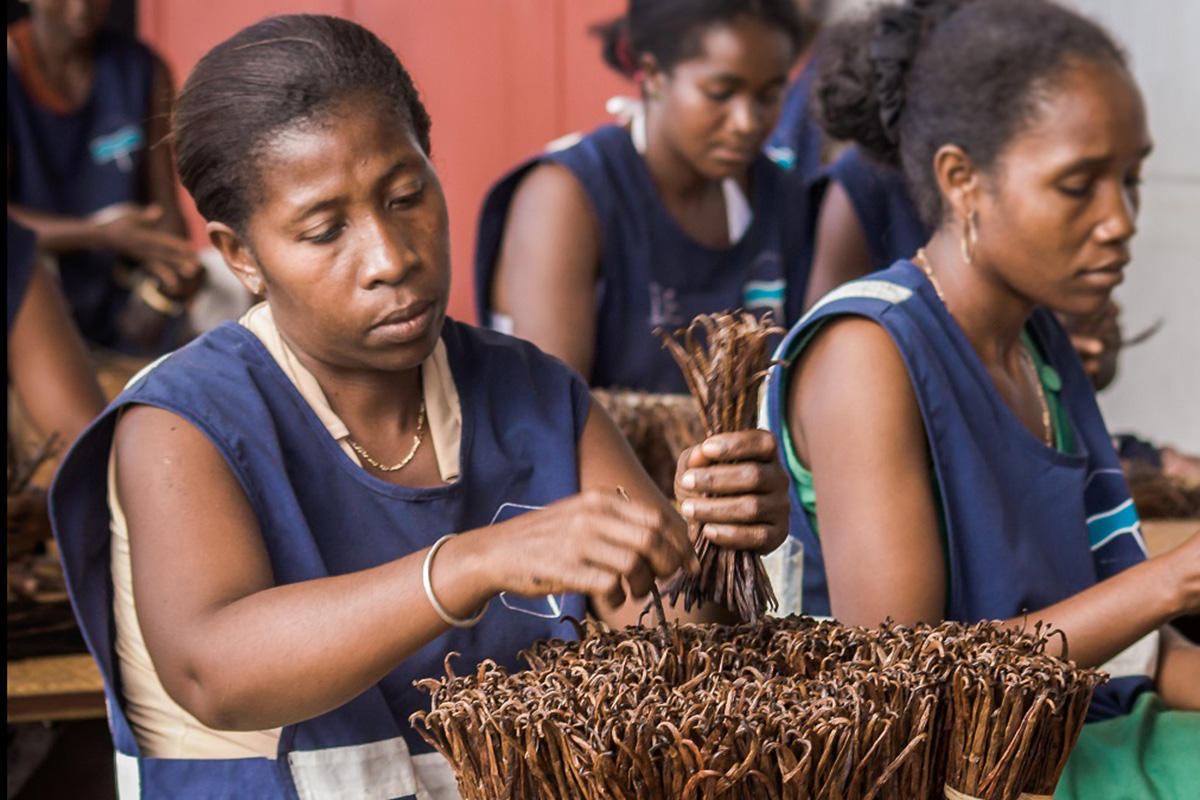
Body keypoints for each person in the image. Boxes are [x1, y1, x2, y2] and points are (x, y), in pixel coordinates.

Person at [49, 15, 790, 798]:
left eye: (407, 197)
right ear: (242, 256)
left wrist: (717, 544)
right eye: (325, 229)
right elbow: (212, 670)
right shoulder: (180, 419)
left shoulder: (535, 396)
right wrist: (470, 562)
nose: (391, 258)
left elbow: (681, 654)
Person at [760, 1, 1199, 797]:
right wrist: (1170, 581)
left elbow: (1127, 649)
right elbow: (906, 686)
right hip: (956, 770)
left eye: (1129, 179)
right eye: (1079, 186)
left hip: (1072, 728)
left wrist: (1163, 606)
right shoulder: (868, 351)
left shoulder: (1037, 345)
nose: (1120, 222)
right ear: (962, 179)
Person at [474, 0, 817, 393]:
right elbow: (552, 420)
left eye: (769, 96)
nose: (747, 122)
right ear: (653, 73)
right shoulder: (566, 197)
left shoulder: (779, 195)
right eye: (721, 93)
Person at [7, 0, 203, 354]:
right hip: (31, 296)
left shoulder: (142, 69)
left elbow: (166, 211)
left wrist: (172, 270)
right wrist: (102, 234)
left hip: (115, 297)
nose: (81, 7)